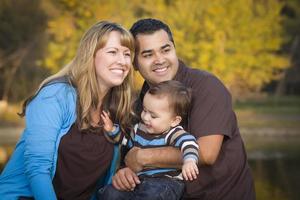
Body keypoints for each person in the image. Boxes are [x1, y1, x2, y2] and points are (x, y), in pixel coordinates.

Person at [111, 18, 256, 200]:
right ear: (135, 64)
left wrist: (142, 157)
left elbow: (206, 153)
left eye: (166, 50)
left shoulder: (206, 86)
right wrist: (124, 173)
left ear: (174, 49)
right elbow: (130, 152)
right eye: (148, 55)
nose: (160, 60)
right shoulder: (141, 104)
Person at [0, 21, 135, 200]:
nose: (122, 61)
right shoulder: (56, 95)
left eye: (127, 54)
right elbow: (38, 168)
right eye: (112, 52)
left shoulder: (116, 110)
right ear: (90, 55)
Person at [98, 80, 199, 200]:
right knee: (110, 193)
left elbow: (189, 143)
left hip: (165, 182)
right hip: (140, 181)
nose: (145, 117)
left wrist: (190, 161)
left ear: (174, 121)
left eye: (153, 116)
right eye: (144, 110)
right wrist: (112, 130)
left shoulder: (173, 133)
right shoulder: (139, 129)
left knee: (152, 194)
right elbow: (126, 142)